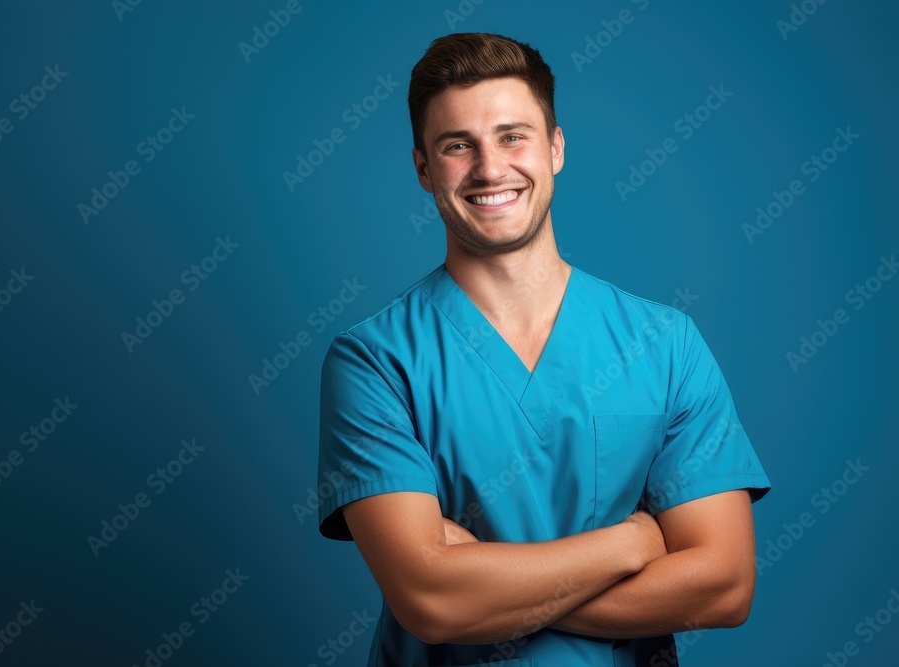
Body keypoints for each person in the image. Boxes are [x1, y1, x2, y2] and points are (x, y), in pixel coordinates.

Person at [316, 32, 770, 666]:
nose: (490, 168)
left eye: (512, 136)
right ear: (423, 168)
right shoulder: (374, 361)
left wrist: (476, 580)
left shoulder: (665, 345)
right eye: (457, 146)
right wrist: (632, 545)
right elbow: (430, 603)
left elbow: (724, 587)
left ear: (555, 147)